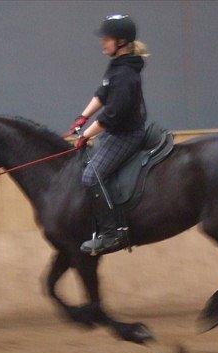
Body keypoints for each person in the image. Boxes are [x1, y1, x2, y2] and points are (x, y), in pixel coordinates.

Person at [69, 14, 148, 256]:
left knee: (91, 176)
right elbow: (102, 94)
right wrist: (81, 118)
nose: (103, 42)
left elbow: (112, 115)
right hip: (116, 132)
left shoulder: (126, 75)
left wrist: (86, 135)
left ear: (121, 42)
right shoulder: (117, 66)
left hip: (126, 135)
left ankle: (113, 233)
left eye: (107, 38)